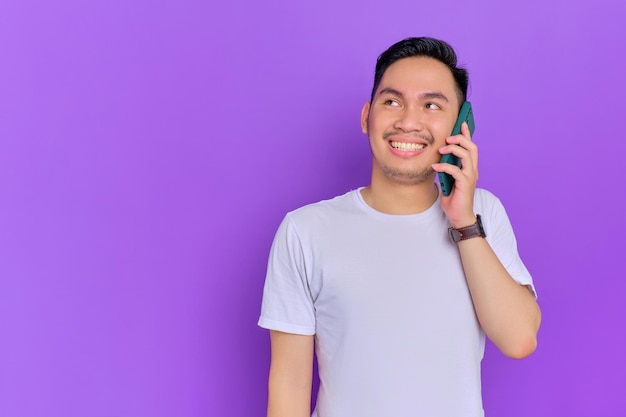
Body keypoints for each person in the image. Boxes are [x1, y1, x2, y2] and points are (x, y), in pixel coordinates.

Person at [258, 37, 541, 417]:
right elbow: (290, 384)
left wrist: (463, 222)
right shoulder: (304, 230)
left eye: (431, 105)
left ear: (460, 126)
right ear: (366, 117)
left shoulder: (482, 213)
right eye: (392, 101)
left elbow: (520, 339)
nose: (408, 121)